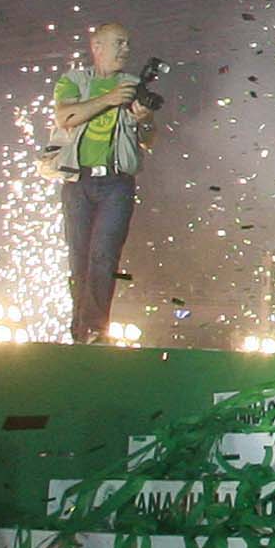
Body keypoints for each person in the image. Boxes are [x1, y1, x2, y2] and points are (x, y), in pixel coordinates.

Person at [46, 21, 156, 344]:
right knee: (79, 256)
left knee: (104, 254)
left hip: (117, 183)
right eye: (119, 43)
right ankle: (81, 329)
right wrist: (109, 99)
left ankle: (94, 328)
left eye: (128, 44)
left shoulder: (133, 85)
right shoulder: (74, 82)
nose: (126, 50)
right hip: (77, 181)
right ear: (97, 46)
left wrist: (144, 121)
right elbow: (65, 117)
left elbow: (150, 139)